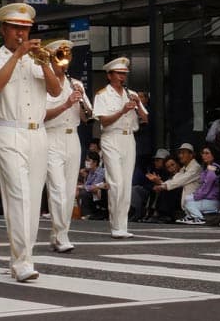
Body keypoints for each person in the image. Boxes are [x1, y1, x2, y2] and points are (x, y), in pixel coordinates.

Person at [0, 2, 61, 280]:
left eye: (26, 29)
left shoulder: (38, 58)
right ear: (4, 29)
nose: (21, 34)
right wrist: (17, 56)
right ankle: (22, 261)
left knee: (33, 197)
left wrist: (46, 62)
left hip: (38, 132)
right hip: (9, 130)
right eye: (16, 28)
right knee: (18, 195)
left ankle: (25, 256)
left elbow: (55, 89)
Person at [92, 57, 149, 239]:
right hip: (111, 138)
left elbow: (145, 119)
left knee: (125, 183)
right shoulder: (102, 95)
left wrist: (138, 105)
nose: (122, 77)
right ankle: (115, 224)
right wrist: (122, 111)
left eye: (124, 74)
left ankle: (122, 225)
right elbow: (104, 121)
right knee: (115, 182)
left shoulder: (131, 93)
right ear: (109, 75)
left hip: (128, 138)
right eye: (118, 74)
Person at [42, 39, 88, 253]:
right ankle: (60, 234)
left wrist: (81, 103)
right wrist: (67, 103)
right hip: (52, 137)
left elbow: (87, 118)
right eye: (60, 56)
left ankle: (60, 233)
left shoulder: (75, 83)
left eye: (67, 56)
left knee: (69, 191)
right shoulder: (42, 85)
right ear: (51, 58)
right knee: (57, 189)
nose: (64, 61)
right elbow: (43, 116)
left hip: (73, 138)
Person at [152, 143, 203, 222]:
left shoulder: (195, 167)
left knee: (169, 190)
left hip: (194, 199)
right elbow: (175, 179)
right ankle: (157, 214)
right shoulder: (184, 168)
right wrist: (161, 184)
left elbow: (181, 180)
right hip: (186, 199)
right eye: (180, 153)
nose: (180, 155)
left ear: (191, 154)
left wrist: (163, 186)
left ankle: (165, 215)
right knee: (164, 189)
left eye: (183, 153)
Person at [182, 144, 220, 224]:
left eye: (207, 153)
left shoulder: (214, 168)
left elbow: (206, 187)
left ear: (213, 155)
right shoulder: (208, 167)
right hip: (208, 200)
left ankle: (199, 218)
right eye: (202, 153)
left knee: (188, 202)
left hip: (213, 201)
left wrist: (195, 196)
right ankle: (190, 217)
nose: (203, 155)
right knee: (187, 200)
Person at [77, 150, 108, 218]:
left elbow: (94, 186)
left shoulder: (100, 171)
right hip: (94, 193)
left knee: (84, 192)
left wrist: (81, 186)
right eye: (86, 160)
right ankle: (79, 213)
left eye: (88, 160)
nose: (86, 162)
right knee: (80, 191)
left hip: (102, 194)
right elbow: (87, 185)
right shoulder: (91, 172)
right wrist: (85, 177)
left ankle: (87, 214)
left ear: (95, 162)